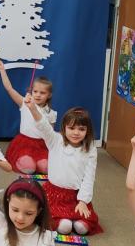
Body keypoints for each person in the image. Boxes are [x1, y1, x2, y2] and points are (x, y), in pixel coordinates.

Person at [26, 95, 103, 235]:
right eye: (71, 128)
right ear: (64, 128)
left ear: (87, 130)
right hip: (54, 195)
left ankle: (75, 218)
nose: (76, 133)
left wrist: (83, 201)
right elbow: (43, 126)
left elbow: (89, 177)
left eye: (81, 129)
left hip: (76, 197)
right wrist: (33, 109)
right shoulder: (55, 140)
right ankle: (65, 220)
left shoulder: (90, 148)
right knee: (64, 227)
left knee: (82, 228)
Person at [0, 58, 56, 174]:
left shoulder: (51, 113)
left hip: (41, 145)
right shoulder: (24, 103)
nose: (38, 95)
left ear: (49, 95)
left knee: (46, 167)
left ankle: (39, 164)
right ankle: (28, 163)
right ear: (31, 91)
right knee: (29, 167)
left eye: (42, 93)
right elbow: (9, 88)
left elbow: (51, 135)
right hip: (24, 143)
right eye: (35, 91)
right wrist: (2, 70)